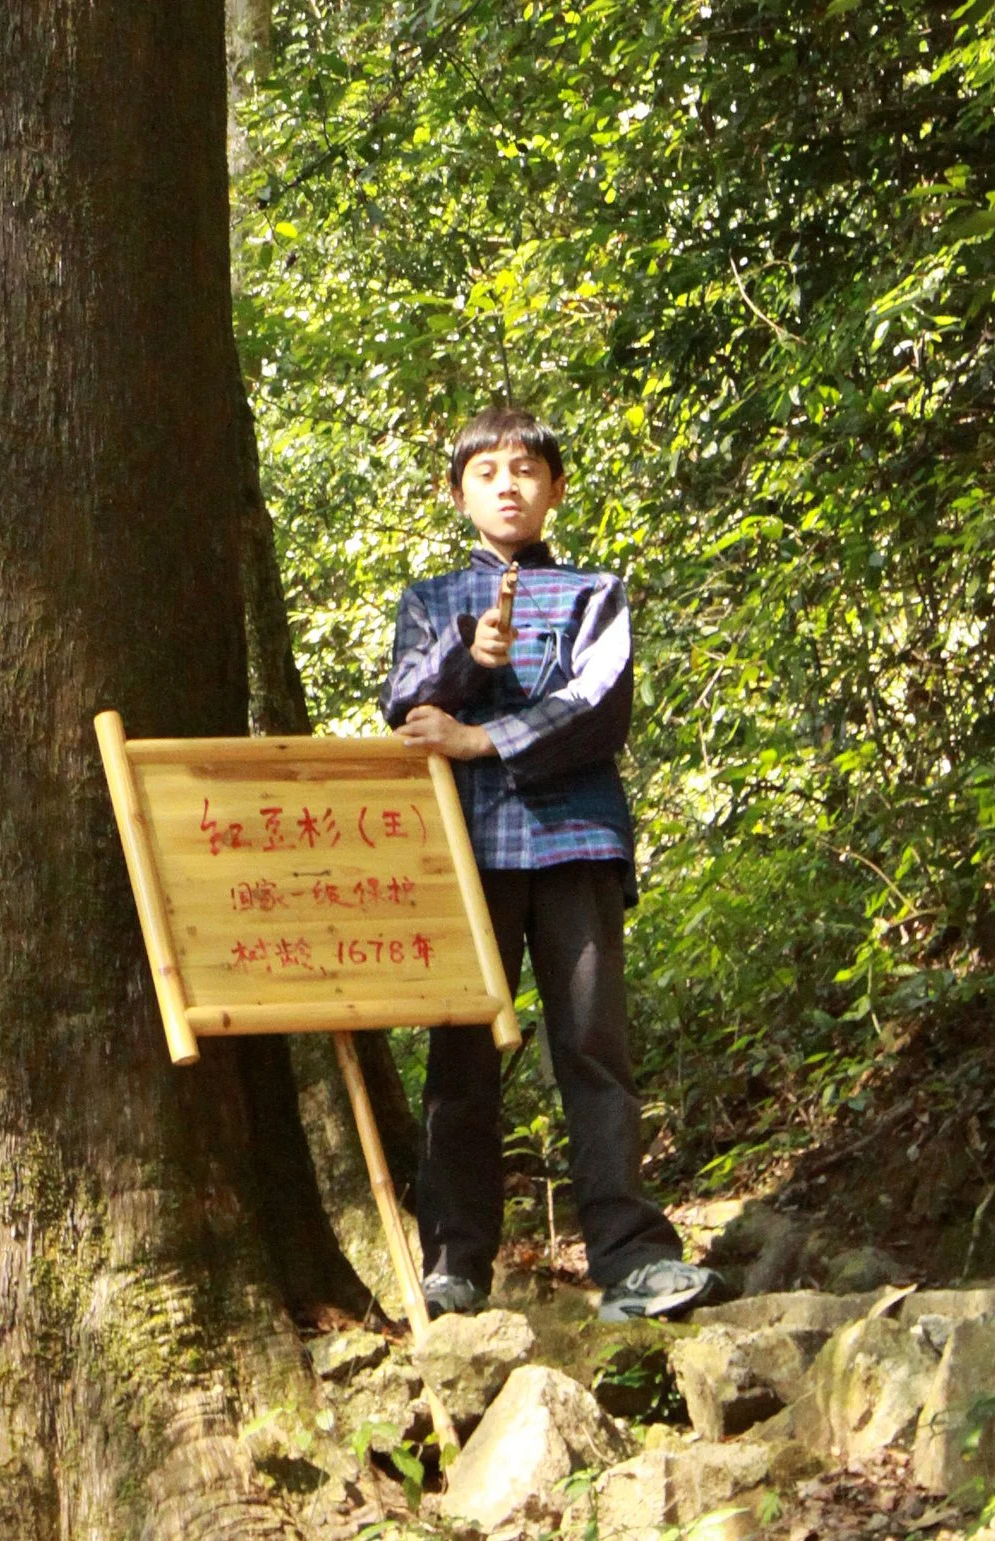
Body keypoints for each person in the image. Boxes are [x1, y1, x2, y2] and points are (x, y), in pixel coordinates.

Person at [385, 401, 713, 1323]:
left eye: (525, 470)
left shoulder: (594, 592)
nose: (508, 486)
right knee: (460, 1054)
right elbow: (407, 709)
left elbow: (598, 704)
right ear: (459, 495)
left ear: (555, 487)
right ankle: (454, 1263)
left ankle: (633, 1256)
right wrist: (464, 654)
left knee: (594, 1047)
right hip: (468, 853)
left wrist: (481, 735)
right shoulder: (431, 601)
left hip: (577, 843)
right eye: (487, 473)